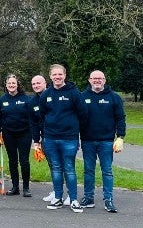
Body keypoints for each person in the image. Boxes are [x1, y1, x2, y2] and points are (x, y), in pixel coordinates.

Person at [39, 64, 86, 213]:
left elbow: (82, 113)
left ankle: (73, 200)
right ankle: (58, 198)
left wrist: (74, 131)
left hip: (69, 139)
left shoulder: (74, 93)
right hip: (50, 138)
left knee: (69, 169)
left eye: (60, 74)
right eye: (54, 75)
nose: (57, 77)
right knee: (56, 169)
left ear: (65, 75)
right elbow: (42, 114)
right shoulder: (46, 94)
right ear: (50, 76)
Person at [79, 70, 126, 213]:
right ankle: (88, 198)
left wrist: (120, 137)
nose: (97, 81)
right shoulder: (82, 97)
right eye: (94, 78)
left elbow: (120, 118)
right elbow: (77, 118)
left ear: (104, 80)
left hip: (106, 141)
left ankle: (108, 200)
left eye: (100, 79)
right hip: (87, 141)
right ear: (89, 80)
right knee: (88, 171)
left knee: (107, 171)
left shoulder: (114, 97)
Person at [0, 74, 32, 197]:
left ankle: (26, 187)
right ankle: (15, 187)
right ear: (6, 85)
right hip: (8, 134)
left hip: (24, 133)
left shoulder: (26, 99)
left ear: (17, 85)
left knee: (24, 161)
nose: (11, 85)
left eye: (13, 83)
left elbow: (32, 117)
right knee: (12, 160)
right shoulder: (1, 100)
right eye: (9, 83)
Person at [30, 74, 55, 202]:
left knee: (64, 166)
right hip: (45, 138)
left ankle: (69, 193)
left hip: (59, 136)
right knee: (52, 166)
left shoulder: (53, 95)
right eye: (33, 84)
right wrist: (36, 142)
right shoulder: (33, 102)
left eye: (38, 83)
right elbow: (34, 123)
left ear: (45, 83)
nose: (36, 86)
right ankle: (57, 191)